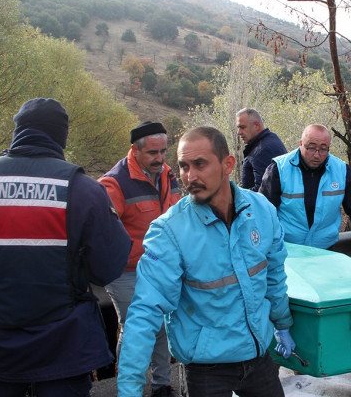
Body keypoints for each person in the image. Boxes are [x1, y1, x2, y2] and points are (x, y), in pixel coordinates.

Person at [0, 98, 131, 397]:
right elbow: (108, 268)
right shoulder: (84, 189)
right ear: (61, 135)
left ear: (18, 131)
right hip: (65, 351)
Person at [117, 126, 295, 397]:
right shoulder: (170, 231)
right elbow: (144, 312)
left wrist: (282, 324)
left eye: (200, 164)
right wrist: (129, 388)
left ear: (228, 164)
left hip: (257, 356)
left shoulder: (262, 212)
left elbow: (273, 278)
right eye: (184, 166)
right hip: (206, 368)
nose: (190, 176)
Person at [98, 121, 181, 397]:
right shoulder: (114, 183)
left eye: (163, 152)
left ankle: (161, 385)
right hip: (127, 271)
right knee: (136, 327)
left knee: (163, 325)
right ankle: (127, 384)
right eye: (153, 153)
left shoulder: (169, 175)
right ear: (135, 150)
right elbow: (102, 231)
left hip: (163, 268)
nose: (159, 159)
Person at [259, 124, 351, 267]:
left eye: (323, 149)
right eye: (311, 147)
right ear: (301, 144)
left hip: (325, 251)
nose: (317, 154)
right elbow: (263, 212)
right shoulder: (279, 169)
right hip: (288, 251)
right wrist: (263, 245)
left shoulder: (341, 170)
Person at [236, 108, 287, 191]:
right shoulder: (269, 139)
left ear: (256, 125)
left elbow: (262, 190)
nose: (239, 132)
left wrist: (237, 196)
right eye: (238, 128)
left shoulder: (262, 149)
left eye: (242, 127)